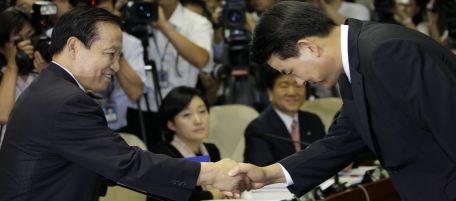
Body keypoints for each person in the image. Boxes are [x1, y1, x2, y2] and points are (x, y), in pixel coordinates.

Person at [0, 7, 243, 201]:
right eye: (110, 53)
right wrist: (210, 173)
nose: (116, 67)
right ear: (74, 46)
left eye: (119, 56)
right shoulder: (66, 101)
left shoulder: (51, 87)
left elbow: (112, 165)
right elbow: (126, 163)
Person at [229, 1, 456, 201]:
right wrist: (270, 174)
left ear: (308, 47)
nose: (299, 82)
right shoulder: (354, 62)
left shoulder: (387, 51)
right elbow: (343, 140)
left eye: (290, 71)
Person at [125, 0, 214, 147]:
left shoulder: (196, 23)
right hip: (141, 108)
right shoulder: (134, 16)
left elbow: (201, 60)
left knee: (181, 163)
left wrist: (164, 26)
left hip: (181, 111)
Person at [151, 86, 225, 200]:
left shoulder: (212, 150)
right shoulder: (162, 154)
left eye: (202, 111)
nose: (198, 121)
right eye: (187, 115)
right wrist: (214, 194)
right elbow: (177, 196)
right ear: (171, 124)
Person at [244, 70, 326, 166]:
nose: (292, 92)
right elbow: (264, 171)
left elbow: (325, 157)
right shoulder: (258, 129)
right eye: (284, 85)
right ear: (270, 93)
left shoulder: (314, 121)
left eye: (298, 85)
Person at [0, 7, 47, 146]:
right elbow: (3, 115)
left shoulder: (45, 69)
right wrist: (12, 65)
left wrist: (48, 73)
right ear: (2, 48)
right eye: (18, 40)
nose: (27, 44)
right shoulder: (4, 75)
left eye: (30, 36)